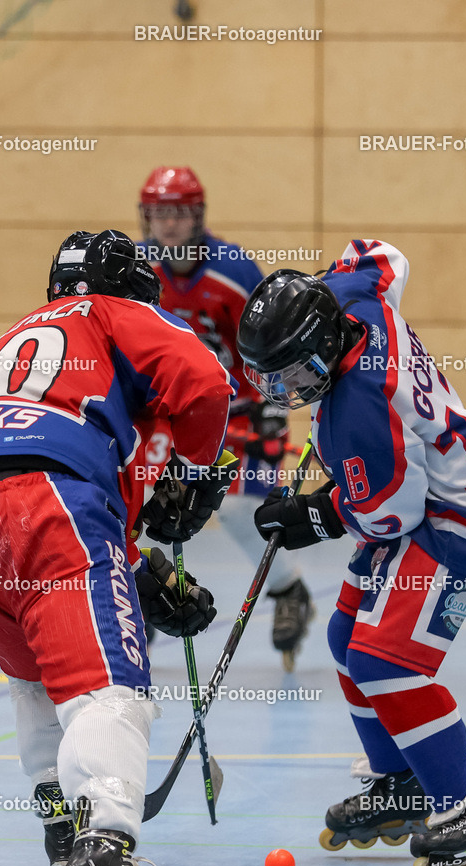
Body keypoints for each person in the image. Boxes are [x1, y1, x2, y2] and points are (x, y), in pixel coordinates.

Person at [0, 229, 237, 866]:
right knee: (110, 687)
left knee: (40, 674)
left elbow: (36, 468)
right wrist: (193, 475)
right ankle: (103, 850)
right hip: (44, 504)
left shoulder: (16, 340)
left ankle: (64, 831)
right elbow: (207, 384)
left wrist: (138, 575)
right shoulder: (113, 312)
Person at [237, 238, 466, 866]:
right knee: (343, 638)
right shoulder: (355, 295)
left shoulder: (357, 410)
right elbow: (379, 253)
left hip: (453, 522)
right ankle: (399, 779)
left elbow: (391, 512)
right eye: (270, 376)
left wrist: (313, 515)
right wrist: (326, 282)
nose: (285, 391)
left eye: (294, 375)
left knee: (385, 658)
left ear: (323, 348)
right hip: (428, 502)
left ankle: (463, 804)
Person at [138, 165, 314, 669]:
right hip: (167, 417)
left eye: (178, 214)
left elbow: (271, 344)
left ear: (198, 216)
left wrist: (274, 412)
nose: (167, 225)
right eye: (158, 214)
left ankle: (289, 590)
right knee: (143, 508)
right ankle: (145, 601)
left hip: (237, 413)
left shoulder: (233, 272)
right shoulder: (139, 271)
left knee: (241, 511)